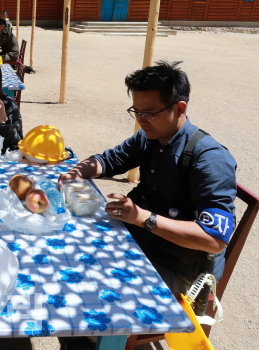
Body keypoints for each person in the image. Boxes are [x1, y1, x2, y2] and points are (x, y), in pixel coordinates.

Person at [58, 61, 236, 296]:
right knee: (69, 251)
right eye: (137, 111)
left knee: (89, 289)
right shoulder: (149, 136)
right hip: (137, 241)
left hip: (179, 272)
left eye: (150, 113)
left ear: (180, 109)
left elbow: (213, 239)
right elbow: (110, 160)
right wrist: (78, 171)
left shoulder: (210, 159)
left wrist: (143, 218)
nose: (141, 120)